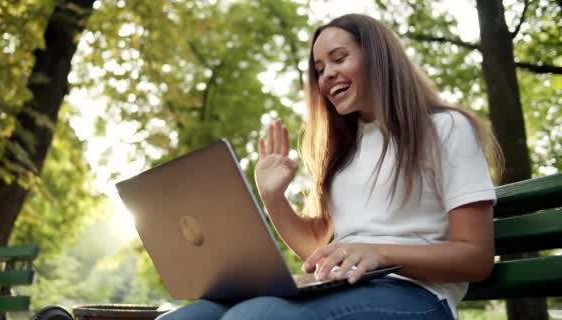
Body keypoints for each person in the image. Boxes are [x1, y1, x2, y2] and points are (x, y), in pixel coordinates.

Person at [157, 13, 502, 320]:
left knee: (254, 316)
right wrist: (273, 198)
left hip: (419, 296)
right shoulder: (345, 150)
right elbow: (314, 248)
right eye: (320, 69)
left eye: (339, 59)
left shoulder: (446, 128)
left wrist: (378, 252)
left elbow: (476, 257)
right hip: (341, 286)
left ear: (378, 57)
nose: (327, 76)